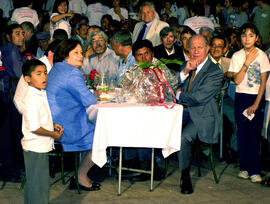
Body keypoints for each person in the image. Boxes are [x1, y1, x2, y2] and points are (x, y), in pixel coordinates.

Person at [46, 39, 100, 191]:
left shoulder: (57, 68)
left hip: (54, 119)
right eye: (76, 53)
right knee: (101, 137)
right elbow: (88, 99)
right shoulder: (72, 72)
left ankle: (80, 174)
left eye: (81, 53)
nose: (81, 56)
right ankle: (81, 177)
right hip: (65, 124)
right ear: (65, 55)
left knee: (95, 128)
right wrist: (96, 93)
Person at [176, 34, 224, 194]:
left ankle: (185, 176)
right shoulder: (188, 63)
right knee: (159, 124)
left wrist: (179, 95)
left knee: (184, 137)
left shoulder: (215, 71)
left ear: (207, 49)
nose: (196, 51)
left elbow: (198, 98)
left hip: (202, 116)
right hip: (183, 111)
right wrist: (185, 71)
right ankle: (149, 167)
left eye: (200, 47)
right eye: (193, 47)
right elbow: (173, 83)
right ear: (188, 49)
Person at [227, 23, 270, 183]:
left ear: (257, 38)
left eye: (251, 35)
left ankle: (255, 169)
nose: (247, 38)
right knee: (242, 133)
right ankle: (244, 167)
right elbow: (237, 80)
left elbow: (264, 82)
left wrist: (257, 104)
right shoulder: (237, 56)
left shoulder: (262, 56)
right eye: (244, 35)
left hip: (256, 98)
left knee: (254, 134)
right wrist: (247, 61)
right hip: (241, 97)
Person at [21, 59, 64, 204]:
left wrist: (52, 125)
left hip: (38, 146)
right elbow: (34, 128)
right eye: (38, 74)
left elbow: (41, 119)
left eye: (45, 73)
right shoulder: (32, 98)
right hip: (35, 147)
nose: (44, 77)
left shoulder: (39, 93)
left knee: (34, 184)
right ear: (28, 79)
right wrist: (53, 134)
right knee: (39, 186)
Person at [0, 24, 25, 182]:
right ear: (8, 36)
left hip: (9, 96)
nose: (21, 36)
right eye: (17, 34)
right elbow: (18, 74)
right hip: (10, 98)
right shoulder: (10, 50)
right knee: (11, 134)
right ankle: (12, 170)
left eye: (22, 33)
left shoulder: (12, 50)